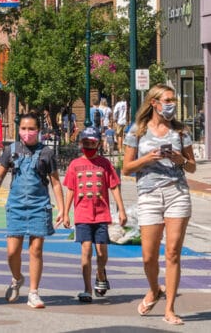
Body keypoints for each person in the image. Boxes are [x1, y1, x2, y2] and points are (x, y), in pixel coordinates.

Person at [122, 83, 196, 326]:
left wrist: (180, 159)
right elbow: (126, 169)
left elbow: (193, 166)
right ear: (154, 103)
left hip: (177, 192)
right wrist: (147, 158)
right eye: (167, 100)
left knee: (173, 252)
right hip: (149, 194)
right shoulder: (137, 131)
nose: (171, 104)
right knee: (148, 256)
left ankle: (170, 309)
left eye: (173, 100)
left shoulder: (181, 131)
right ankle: (154, 289)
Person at [0, 112, 64, 309]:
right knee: (13, 252)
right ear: (18, 130)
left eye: (31, 129)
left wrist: (62, 209)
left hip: (40, 206)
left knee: (36, 250)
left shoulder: (46, 153)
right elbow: (0, 176)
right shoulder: (11, 150)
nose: (27, 133)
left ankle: (34, 292)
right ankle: (17, 278)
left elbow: (55, 183)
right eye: (23, 129)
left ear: (38, 131)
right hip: (16, 205)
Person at [61, 126, 126, 303]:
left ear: (98, 143)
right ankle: (87, 289)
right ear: (80, 143)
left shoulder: (105, 164)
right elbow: (71, 190)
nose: (89, 146)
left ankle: (100, 273)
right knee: (86, 249)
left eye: (92, 143)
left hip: (101, 214)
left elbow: (113, 187)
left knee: (102, 251)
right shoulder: (75, 164)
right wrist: (66, 213)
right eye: (86, 142)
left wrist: (121, 209)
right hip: (82, 214)